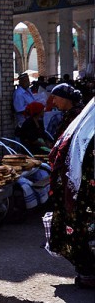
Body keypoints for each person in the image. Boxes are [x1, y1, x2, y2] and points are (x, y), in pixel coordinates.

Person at [48, 98, 94, 288]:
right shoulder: (88, 130)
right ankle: (87, 275)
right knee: (82, 231)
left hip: (78, 191)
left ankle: (86, 273)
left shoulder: (85, 123)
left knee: (82, 231)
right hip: (81, 192)